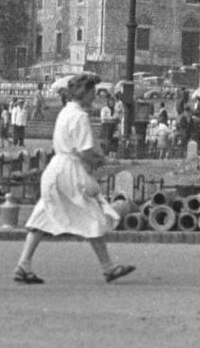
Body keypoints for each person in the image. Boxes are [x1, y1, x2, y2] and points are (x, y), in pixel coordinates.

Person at [12, 73, 134, 285]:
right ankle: (109, 268)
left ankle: (23, 264)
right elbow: (85, 150)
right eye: (92, 93)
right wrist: (99, 160)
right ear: (83, 93)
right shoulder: (80, 116)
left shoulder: (65, 111)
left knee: (43, 214)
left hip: (55, 168)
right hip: (70, 169)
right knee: (93, 214)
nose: (94, 97)